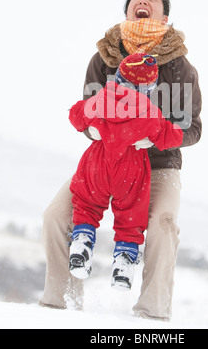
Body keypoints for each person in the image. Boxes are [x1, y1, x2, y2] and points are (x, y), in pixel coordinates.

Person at [40, 0, 202, 321]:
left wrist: (154, 138)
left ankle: (152, 315)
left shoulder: (180, 69)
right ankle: (60, 307)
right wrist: (92, 129)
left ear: (165, 16)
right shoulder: (104, 58)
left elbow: (193, 129)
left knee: (164, 223)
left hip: (158, 165)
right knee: (55, 215)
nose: (143, 2)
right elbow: (85, 111)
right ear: (128, 9)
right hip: (107, 159)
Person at [68, 53, 183, 290]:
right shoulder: (150, 112)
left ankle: (81, 243)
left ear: (118, 77)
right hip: (130, 172)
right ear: (150, 87)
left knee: (86, 205)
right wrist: (153, 137)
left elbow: (76, 116)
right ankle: (124, 263)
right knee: (131, 216)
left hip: (97, 165)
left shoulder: (101, 99)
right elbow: (172, 136)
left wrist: (90, 124)